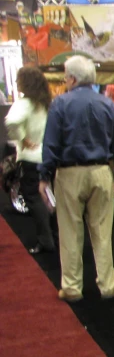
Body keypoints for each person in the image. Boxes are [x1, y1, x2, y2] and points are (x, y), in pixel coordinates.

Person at [39, 56, 114, 303]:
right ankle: (108, 285)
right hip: (101, 172)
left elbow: (51, 144)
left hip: (69, 174)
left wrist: (44, 175)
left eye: (66, 76)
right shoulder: (108, 105)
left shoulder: (59, 105)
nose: (65, 80)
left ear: (72, 78)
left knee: (70, 232)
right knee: (102, 231)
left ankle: (72, 287)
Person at [4, 66, 55, 255]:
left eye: (18, 80)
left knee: (34, 198)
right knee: (49, 196)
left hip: (31, 158)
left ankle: (45, 240)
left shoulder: (24, 103)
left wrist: (21, 137)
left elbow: (12, 122)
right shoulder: (45, 103)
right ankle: (54, 235)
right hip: (48, 157)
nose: (16, 83)